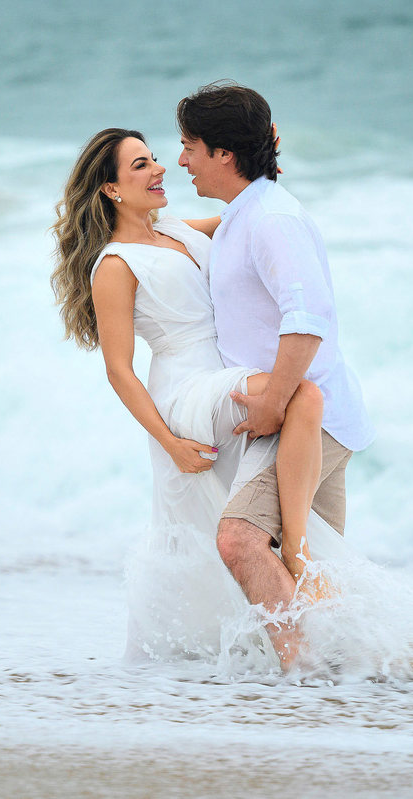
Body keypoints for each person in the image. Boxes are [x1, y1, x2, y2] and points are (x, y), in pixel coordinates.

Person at [51, 128, 330, 669]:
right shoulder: (114, 264)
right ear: (110, 189)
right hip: (183, 389)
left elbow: (249, 213)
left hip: (221, 371)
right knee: (302, 394)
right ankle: (299, 551)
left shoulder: (174, 229)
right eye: (140, 166)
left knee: (229, 527)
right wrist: (170, 442)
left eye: (155, 158)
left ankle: (281, 653)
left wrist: (260, 151)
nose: (159, 169)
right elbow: (118, 370)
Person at [175, 81, 375, 666]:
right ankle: (349, 675)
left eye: (189, 146)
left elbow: (307, 319)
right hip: (311, 413)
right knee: (317, 569)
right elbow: (207, 235)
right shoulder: (247, 213)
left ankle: (302, 676)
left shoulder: (271, 220)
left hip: (305, 415)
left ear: (224, 156)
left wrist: (271, 405)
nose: (182, 160)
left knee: (240, 541)